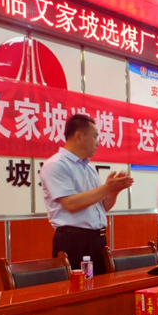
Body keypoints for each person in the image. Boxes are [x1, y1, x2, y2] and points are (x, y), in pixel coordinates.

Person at [40, 114, 133, 275]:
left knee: (102, 290)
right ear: (79, 135)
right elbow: (71, 204)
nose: (98, 142)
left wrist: (114, 191)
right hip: (74, 241)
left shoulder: (89, 168)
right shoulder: (56, 165)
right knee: (78, 292)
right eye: (95, 136)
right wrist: (106, 188)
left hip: (98, 240)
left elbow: (103, 207)